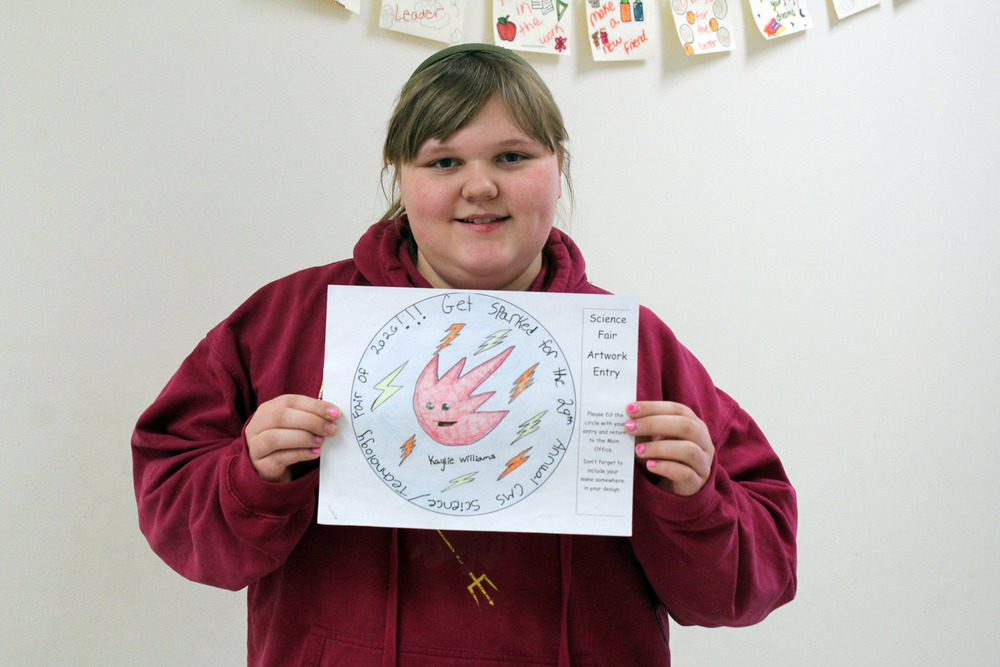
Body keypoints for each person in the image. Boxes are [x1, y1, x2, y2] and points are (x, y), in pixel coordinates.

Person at [132, 43, 796, 666]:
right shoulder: (291, 321)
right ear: (399, 174)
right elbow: (180, 523)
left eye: (512, 156)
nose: (479, 187)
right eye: (443, 162)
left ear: (558, 167)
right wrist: (250, 475)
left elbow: (748, 585)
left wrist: (694, 500)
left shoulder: (630, 347)